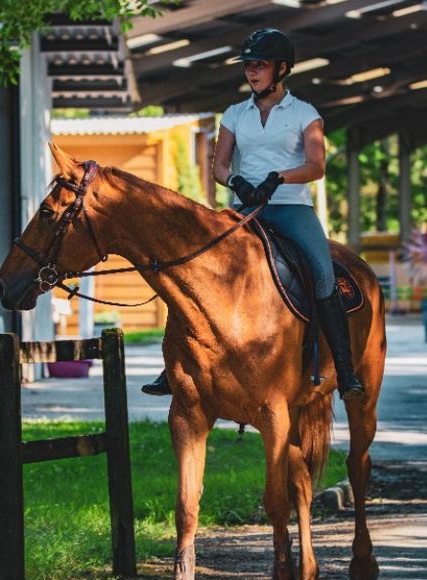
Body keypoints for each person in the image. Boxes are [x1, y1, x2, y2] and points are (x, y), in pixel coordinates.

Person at [142, 28, 363, 401]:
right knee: (197, 269)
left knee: (323, 274)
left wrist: (279, 178)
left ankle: (344, 368)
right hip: (247, 207)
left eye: (259, 65)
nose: (251, 72)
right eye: (248, 65)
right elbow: (219, 167)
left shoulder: (305, 114)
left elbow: (316, 166)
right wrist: (238, 182)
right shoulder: (234, 114)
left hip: (292, 206)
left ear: (282, 69)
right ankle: (174, 364)